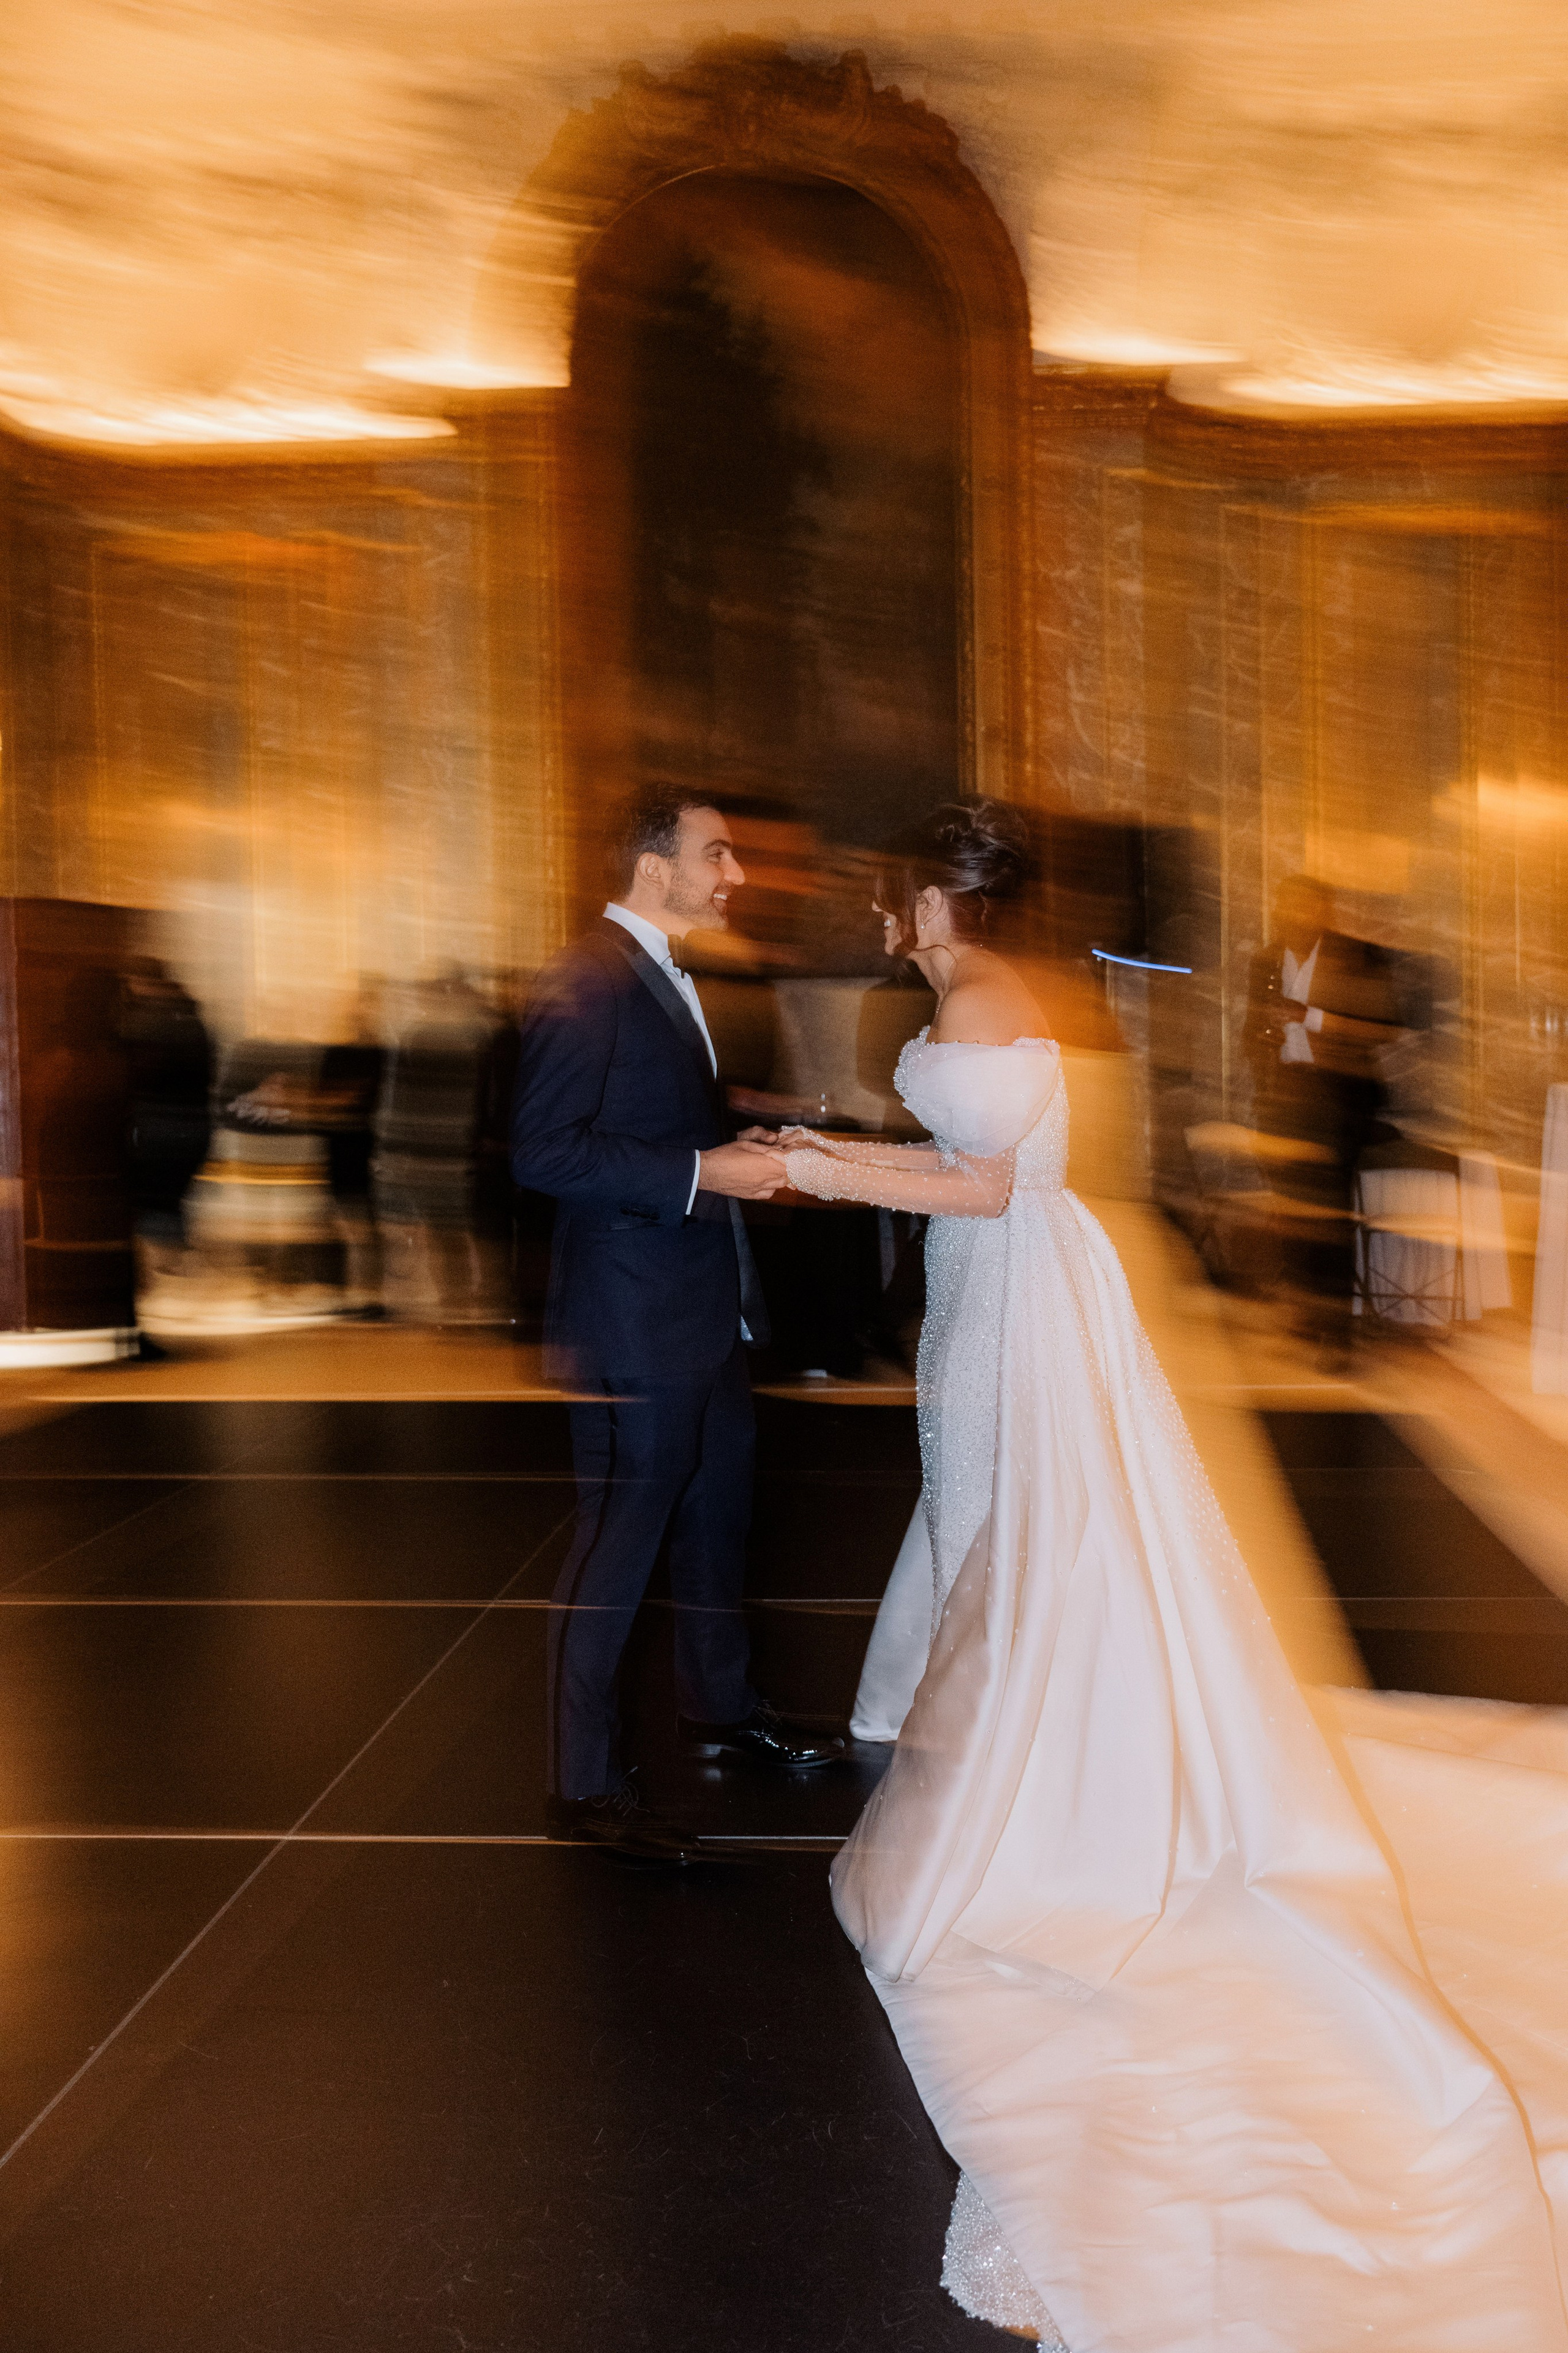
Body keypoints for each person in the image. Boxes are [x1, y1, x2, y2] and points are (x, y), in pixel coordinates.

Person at [781, 801, 1568, 2347]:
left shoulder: (989, 992)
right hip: (990, 1290)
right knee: (986, 1519)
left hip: (1012, 1287)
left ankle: (1051, 1775)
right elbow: (979, 1159)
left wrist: (820, 1170)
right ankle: (1013, 1728)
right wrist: (848, 1151)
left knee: (1020, 1528)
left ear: (944, 900)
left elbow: (991, 1184)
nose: (887, 917)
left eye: (899, 895)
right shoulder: (994, 989)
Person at [511, 788, 845, 1865]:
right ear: (655, 869)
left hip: (704, 1313)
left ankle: (721, 1704)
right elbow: (544, 1153)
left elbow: (649, 1125)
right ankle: (585, 1786)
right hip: (633, 1320)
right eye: (719, 854)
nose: (735, 874)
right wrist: (707, 1170)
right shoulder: (588, 976)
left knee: (714, 1529)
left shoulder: (659, 971)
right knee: (619, 1549)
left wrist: (737, 1138)